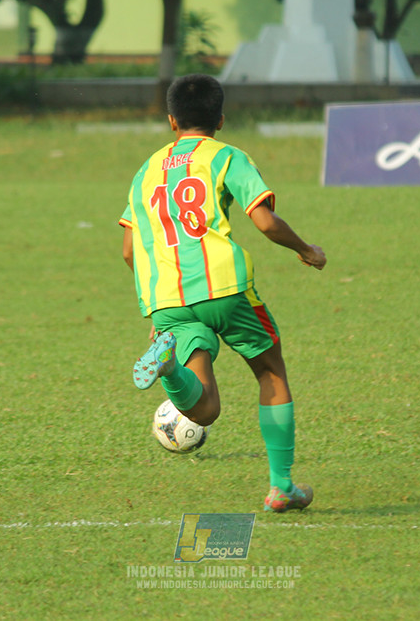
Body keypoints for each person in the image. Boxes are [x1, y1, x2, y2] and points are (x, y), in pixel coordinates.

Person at [118, 73, 327, 513]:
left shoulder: (145, 171)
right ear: (221, 119)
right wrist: (307, 250)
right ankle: (281, 486)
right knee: (270, 371)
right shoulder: (227, 156)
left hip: (164, 299)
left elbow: (127, 251)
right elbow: (266, 222)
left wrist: (164, 282)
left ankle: (170, 366)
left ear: (172, 121)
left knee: (205, 409)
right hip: (223, 287)